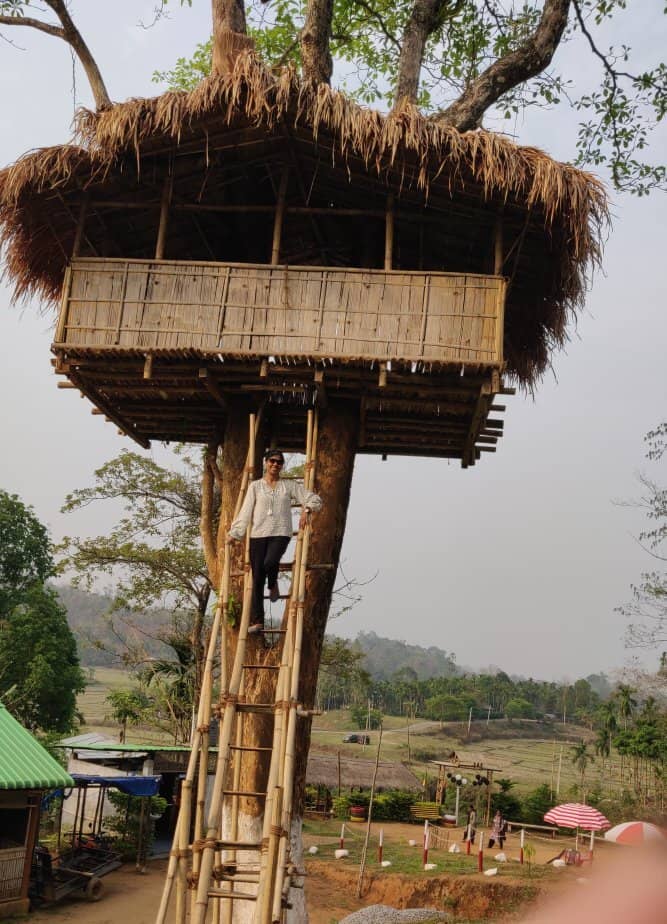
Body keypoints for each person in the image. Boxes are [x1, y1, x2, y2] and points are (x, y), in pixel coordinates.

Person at [228, 449, 322, 632]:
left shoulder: (288, 485)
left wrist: (307, 509)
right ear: (265, 462)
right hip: (257, 535)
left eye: (279, 462)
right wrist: (235, 533)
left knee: (270, 561)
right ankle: (257, 621)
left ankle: (272, 584)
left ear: (281, 465)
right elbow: (246, 511)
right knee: (257, 579)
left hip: (280, 532)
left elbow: (314, 499)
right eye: (272, 461)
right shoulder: (255, 486)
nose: (275, 464)